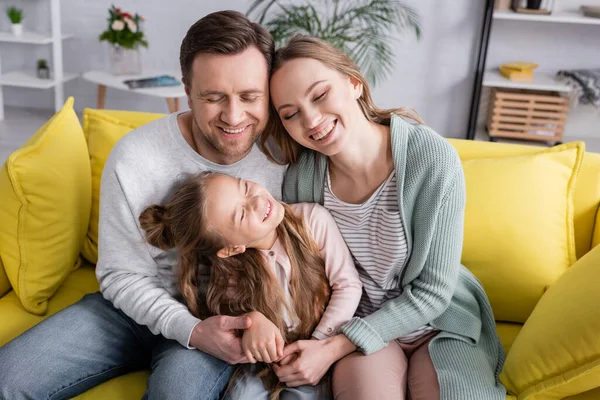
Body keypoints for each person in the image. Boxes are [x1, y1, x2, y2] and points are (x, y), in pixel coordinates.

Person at [0, 11, 288, 400]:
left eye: (250, 97)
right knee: (8, 379)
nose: (234, 116)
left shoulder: (287, 156)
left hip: (220, 316)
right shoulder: (136, 155)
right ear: (186, 91)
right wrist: (186, 328)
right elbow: (121, 275)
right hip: (128, 313)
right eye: (213, 97)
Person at [260, 35, 507, 400]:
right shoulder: (300, 180)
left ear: (354, 83)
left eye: (320, 94)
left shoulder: (432, 159)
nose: (311, 119)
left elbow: (434, 291)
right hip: (355, 327)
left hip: (439, 322)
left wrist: (332, 348)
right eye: (290, 113)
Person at [138, 171, 362, 399]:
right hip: (266, 367)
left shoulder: (312, 220)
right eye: (242, 214)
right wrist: (251, 323)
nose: (256, 200)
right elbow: (233, 325)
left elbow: (348, 286)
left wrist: (318, 343)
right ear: (233, 248)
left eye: (244, 187)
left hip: (320, 353)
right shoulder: (230, 271)